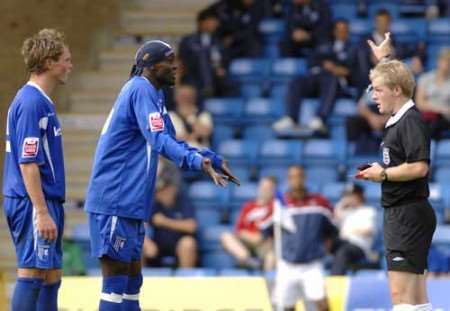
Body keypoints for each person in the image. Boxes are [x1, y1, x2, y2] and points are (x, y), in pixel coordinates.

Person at [84, 40, 240, 311]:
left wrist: (209, 157)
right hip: (115, 198)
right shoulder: (140, 89)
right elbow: (159, 141)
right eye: (169, 61)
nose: (175, 66)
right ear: (152, 66)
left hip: (131, 202)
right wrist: (195, 162)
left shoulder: (153, 95)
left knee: (133, 281)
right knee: (115, 281)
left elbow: (170, 139)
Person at [359, 33, 436, 311]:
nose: (373, 95)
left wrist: (383, 174)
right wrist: (385, 60)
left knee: (401, 299)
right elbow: (397, 78)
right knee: (416, 301)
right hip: (407, 214)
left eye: (377, 89)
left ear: (395, 90)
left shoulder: (410, 121)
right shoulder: (401, 117)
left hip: (406, 214)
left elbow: (419, 166)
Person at [3, 29, 72, 311]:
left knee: (51, 274)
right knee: (32, 272)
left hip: (45, 200)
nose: (70, 65)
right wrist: (41, 211)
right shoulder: (31, 103)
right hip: (33, 202)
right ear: (48, 63)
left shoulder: (41, 101)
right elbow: (27, 162)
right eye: (66, 60)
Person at [268, 165, 337, 311]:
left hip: (312, 264)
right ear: (288, 180)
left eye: (299, 176)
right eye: (293, 177)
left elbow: (333, 230)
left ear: (304, 178)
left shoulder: (320, 203)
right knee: (286, 306)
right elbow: (267, 231)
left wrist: (326, 247)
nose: (296, 180)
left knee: (322, 303)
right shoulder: (280, 205)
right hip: (287, 264)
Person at [273, 19, 355, 134]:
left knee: (331, 79)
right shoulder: (324, 44)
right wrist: (323, 65)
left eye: (344, 30)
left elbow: (351, 71)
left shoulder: (353, 49)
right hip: (317, 78)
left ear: (348, 32)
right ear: (334, 31)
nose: (341, 32)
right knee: (297, 81)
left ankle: (320, 118)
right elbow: (311, 62)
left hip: (336, 82)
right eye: (338, 29)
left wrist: (335, 69)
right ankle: (290, 117)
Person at [221, 176, 276, 271]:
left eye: (268, 188)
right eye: (263, 187)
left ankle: (267, 281)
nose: (264, 190)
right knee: (225, 236)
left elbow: (266, 234)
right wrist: (249, 237)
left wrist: (257, 238)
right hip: (246, 243)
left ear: (273, 191)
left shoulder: (275, 207)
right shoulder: (248, 206)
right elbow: (239, 231)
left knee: (271, 256)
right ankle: (249, 261)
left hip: (264, 245)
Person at [143, 177, 197, 268]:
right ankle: (138, 280)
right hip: (157, 247)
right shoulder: (154, 203)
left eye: (164, 190)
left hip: (178, 245)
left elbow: (191, 226)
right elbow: (141, 226)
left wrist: (165, 222)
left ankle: (186, 279)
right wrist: (146, 242)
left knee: (188, 243)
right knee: (139, 243)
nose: (161, 194)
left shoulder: (182, 200)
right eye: (158, 191)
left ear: (172, 189)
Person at [330, 183, 377, 275]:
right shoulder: (345, 212)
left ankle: (335, 283)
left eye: (350, 195)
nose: (347, 198)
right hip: (342, 243)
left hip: (359, 246)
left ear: (359, 196)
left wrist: (350, 232)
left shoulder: (368, 211)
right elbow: (334, 220)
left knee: (343, 252)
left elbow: (368, 230)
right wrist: (342, 204)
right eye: (346, 195)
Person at [415, 48, 450, 140]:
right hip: (428, 116)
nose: (447, 64)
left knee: (433, 124)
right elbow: (419, 103)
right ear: (438, 61)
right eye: (445, 60)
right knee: (426, 122)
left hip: (445, 118)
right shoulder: (425, 79)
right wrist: (439, 109)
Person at [169, 84, 213, 149]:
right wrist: (192, 136)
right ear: (176, 98)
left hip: (199, 151)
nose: (186, 99)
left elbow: (205, 133)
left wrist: (191, 117)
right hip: (176, 151)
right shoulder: (170, 115)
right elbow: (172, 139)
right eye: (182, 96)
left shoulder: (203, 114)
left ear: (194, 97)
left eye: (189, 96)